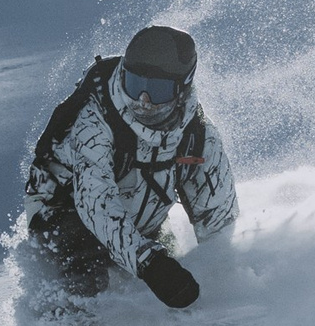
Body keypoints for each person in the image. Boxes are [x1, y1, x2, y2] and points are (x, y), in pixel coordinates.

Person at [22, 24, 237, 308]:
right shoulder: (95, 120)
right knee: (86, 276)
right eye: (135, 85)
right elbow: (96, 202)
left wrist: (222, 278)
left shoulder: (198, 138)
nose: (143, 102)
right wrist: (149, 263)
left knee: (176, 278)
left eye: (157, 90)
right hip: (67, 214)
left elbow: (217, 218)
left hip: (143, 219)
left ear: (182, 89)